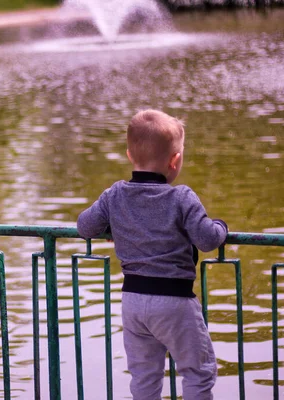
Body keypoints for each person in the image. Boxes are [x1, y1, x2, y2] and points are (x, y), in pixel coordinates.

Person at [76, 110, 227, 400]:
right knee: (198, 371)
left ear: (130, 155)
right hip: (175, 301)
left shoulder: (115, 195)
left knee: (144, 378)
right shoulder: (181, 197)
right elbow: (207, 239)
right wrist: (221, 227)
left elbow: (85, 226)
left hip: (133, 300)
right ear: (175, 160)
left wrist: (114, 222)